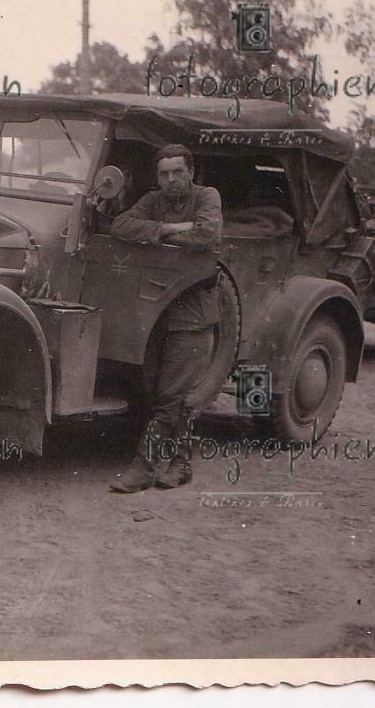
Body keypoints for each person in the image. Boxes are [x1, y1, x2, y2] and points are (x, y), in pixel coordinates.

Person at [109, 144, 223, 492]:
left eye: (177, 172)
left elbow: (207, 234)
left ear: (191, 172)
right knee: (164, 392)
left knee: (171, 395)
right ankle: (181, 462)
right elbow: (120, 225)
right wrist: (171, 229)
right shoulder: (154, 200)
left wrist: (158, 233)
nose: (170, 180)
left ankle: (144, 468)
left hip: (192, 313)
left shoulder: (207, 196)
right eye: (163, 174)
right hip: (157, 311)